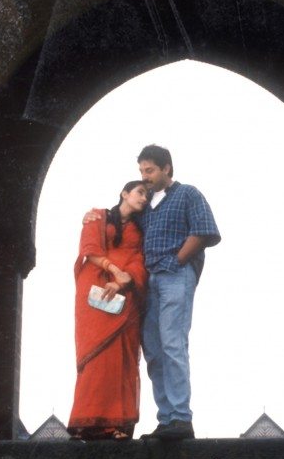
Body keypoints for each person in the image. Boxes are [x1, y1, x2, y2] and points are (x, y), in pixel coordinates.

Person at [85, 145, 221, 441]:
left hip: (175, 276)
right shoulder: (145, 206)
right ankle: (166, 418)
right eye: (141, 172)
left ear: (167, 169)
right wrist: (94, 216)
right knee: (154, 350)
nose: (144, 178)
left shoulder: (188, 194)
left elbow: (204, 231)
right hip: (148, 283)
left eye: (150, 171)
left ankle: (181, 418)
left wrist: (177, 261)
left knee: (173, 342)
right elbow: (119, 221)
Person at [68, 181, 149, 441]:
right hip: (95, 292)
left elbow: (140, 258)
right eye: (140, 192)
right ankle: (86, 422)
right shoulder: (99, 216)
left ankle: (116, 423)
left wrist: (124, 281)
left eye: (147, 195)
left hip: (124, 293)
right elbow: (89, 249)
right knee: (96, 356)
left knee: (121, 357)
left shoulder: (141, 227)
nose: (144, 198)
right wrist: (113, 271)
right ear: (124, 193)